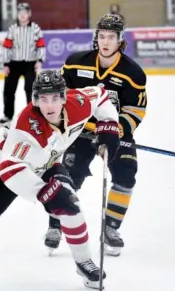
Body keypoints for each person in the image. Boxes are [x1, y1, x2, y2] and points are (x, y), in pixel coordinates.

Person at [0, 69, 120, 289]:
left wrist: (109, 125)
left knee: (71, 205)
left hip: (47, 164)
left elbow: (101, 96)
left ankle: (84, 263)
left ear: (64, 97)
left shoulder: (78, 103)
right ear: (35, 100)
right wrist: (44, 193)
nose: (50, 106)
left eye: (55, 98)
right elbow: (9, 169)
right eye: (43, 99)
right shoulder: (26, 126)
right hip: (4, 171)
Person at [44, 14, 147, 257]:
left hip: (114, 133)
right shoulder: (75, 63)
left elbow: (136, 110)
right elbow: (61, 97)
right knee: (67, 176)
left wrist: (115, 129)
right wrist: (65, 124)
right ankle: (56, 225)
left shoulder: (133, 73)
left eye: (111, 37)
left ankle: (111, 228)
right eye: (102, 36)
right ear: (96, 38)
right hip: (80, 133)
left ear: (120, 40)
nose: (105, 42)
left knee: (126, 174)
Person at [0, 2, 46, 127]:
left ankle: (32, 114)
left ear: (29, 14)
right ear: (17, 14)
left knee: (30, 90)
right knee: (8, 90)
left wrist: (39, 61)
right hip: (14, 64)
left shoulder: (35, 28)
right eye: (20, 13)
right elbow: (7, 47)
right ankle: (8, 115)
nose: (23, 15)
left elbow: (40, 45)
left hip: (30, 64)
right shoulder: (12, 29)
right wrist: (5, 64)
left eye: (25, 13)